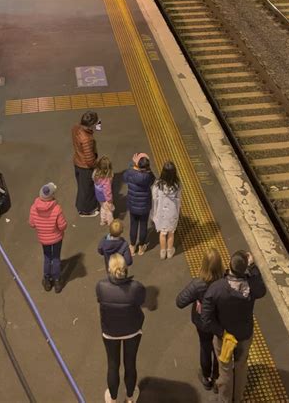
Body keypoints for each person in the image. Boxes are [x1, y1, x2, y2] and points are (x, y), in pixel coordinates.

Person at [201, 250, 266, 403]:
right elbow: (261, 289)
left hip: (225, 337)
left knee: (225, 370)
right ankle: (238, 398)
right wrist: (253, 267)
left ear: (229, 265)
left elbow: (206, 318)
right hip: (244, 334)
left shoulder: (216, 289)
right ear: (245, 269)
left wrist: (221, 333)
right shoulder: (252, 287)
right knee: (241, 366)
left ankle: (225, 400)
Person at [96, 252, 145, 403]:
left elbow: (99, 300)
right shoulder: (136, 286)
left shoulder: (101, 286)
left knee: (113, 364)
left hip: (110, 332)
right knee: (130, 364)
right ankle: (130, 397)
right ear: (125, 268)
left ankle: (113, 398)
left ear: (109, 269)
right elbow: (141, 300)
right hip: (132, 331)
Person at [176, 247, 223, 390]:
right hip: (220, 321)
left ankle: (206, 377)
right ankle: (217, 377)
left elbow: (180, 301)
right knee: (219, 349)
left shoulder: (198, 284)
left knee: (205, 346)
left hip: (202, 322)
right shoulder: (225, 280)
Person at [29, 183, 67, 293]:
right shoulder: (56, 209)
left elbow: (31, 223)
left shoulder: (33, 208)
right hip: (56, 238)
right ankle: (57, 281)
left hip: (43, 239)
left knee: (47, 257)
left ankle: (47, 280)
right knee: (56, 257)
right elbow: (62, 226)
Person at [123, 152, 155, 256]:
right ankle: (141, 247)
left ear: (137, 164)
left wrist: (133, 165)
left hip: (133, 204)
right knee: (143, 225)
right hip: (145, 204)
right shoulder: (148, 175)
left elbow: (124, 177)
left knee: (133, 224)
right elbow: (153, 180)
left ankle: (132, 247)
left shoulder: (130, 173)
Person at [151, 160, 181, 259]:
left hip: (161, 212)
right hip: (172, 212)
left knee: (162, 233)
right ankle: (170, 251)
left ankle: (162, 252)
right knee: (171, 233)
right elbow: (178, 199)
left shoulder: (158, 184)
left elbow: (154, 197)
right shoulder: (177, 184)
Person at [72, 111, 99, 216]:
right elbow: (89, 159)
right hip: (85, 167)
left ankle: (81, 205)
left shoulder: (75, 128)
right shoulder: (87, 139)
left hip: (77, 161)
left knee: (82, 187)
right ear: (91, 124)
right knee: (87, 189)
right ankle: (87, 210)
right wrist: (96, 165)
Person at [93, 155, 115, 227]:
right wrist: (110, 200)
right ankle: (110, 222)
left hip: (99, 196)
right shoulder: (106, 180)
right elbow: (107, 191)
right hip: (105, 197)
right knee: (109, 210)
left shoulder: (96, 174)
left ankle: (102, 220)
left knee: (103, 207)